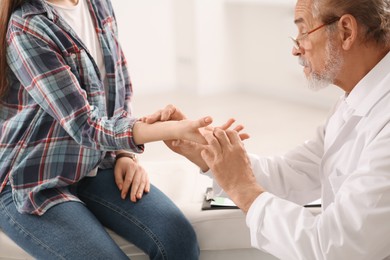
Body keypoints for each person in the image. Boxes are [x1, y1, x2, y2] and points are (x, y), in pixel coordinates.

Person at [144, 0, 390, 259]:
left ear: (347, 32)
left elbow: (337, 249)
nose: (296, 50)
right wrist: (208, 152)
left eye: (304, 31)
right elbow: (292, 174)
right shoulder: (354, 101)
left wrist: (244, 190)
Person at [0, 0, 217, 259]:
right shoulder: (27, 26)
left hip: (95, 164)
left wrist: (125, 154)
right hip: (31, 181)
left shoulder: (97, 4)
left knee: (178, 239)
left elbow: (118, 86)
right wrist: (170, 130)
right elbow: (85, 125)